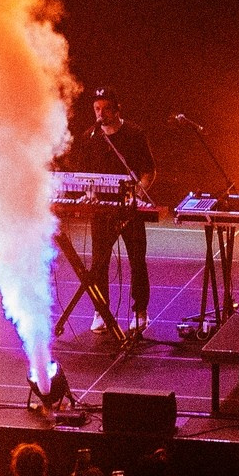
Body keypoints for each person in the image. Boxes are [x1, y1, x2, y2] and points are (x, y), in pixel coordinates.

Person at [75, 86, 157, 335]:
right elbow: (85, 175)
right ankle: (101, 309)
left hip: (129, 207)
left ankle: (140, 311)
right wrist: (87, 194)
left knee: (136, 260)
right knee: (99, 261)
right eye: (97, 109)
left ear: (117, 108)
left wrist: (138, 194)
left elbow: (148, 172)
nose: (101, 114)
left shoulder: (134, 134)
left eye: (106, 109)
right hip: (103, 209)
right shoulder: (90, 137)